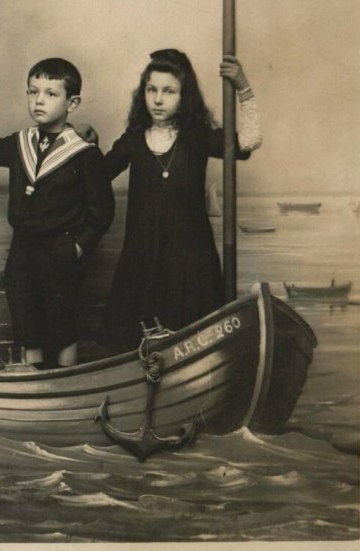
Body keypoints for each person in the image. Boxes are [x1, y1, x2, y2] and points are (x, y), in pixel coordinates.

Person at [98, 48, 262, 353]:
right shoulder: (134, 137)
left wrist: (243, 86)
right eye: (151, 90)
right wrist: (80, 140)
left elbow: (248, 143)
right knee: (134, 350)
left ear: (184, 95)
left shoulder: (197, 136)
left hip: (191, 261)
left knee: (197, 346)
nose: (158, 99)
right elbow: (97, 175)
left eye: (169, 91)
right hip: (142, 260)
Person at [0, 57, 115, 368]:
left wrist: (77, 247)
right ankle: (34, 386)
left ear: (71, 102)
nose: (39, 100)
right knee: (27, 322)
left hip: (60, 251)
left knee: (62, 326)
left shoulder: (84, 154)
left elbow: (101, 211)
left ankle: (66, 385)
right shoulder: (19, 143)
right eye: (33, 92)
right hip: (22, 250)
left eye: (50, 93)